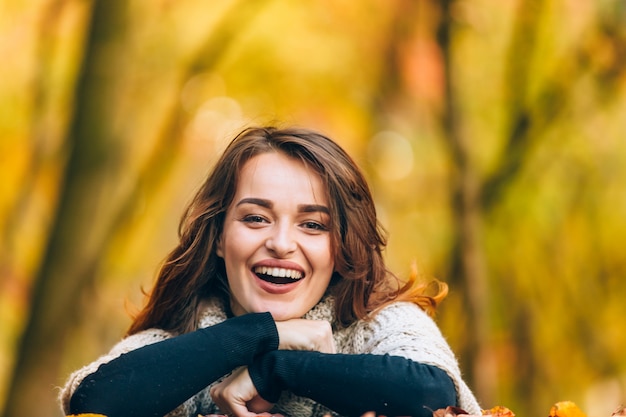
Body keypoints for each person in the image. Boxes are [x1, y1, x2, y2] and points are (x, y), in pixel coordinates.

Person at [59, 126, 481, 417]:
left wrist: (275, 368)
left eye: (313, 225)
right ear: (220, 236)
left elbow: (433, 395)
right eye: (256, 218)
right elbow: (95, 400)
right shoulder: (178, 341)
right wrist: (263, 333)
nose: (281, 243)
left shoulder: (381, 328)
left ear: (341, 247)